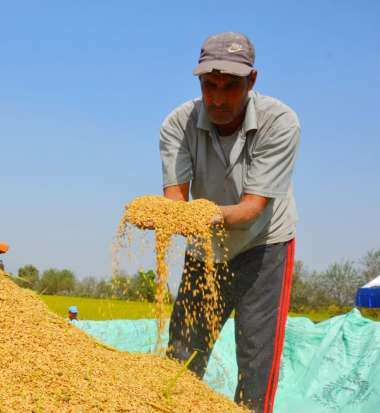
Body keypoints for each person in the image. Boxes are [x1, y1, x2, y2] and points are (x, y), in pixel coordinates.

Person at [159, 32, 299, 413]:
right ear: (199, 82)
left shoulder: (279, 122)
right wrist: (167, 215)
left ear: (251, 81)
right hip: (205, 248)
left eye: (231, 86)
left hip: (263, 245)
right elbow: (176, 198)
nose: (218, 98)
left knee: (256, 362)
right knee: (182, 354)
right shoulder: (178, 124)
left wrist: (196, 215)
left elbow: (252, 207)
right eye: (209, 85)